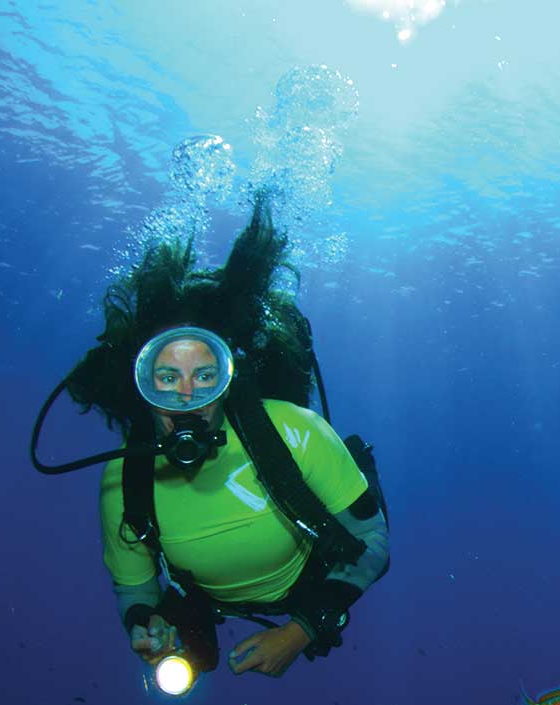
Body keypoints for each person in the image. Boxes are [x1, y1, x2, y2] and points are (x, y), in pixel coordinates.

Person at [54, 195, 390, 680]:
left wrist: (301, 631)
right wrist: (144, 622)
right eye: (167, 379)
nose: (187, 396)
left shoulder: (293, 431)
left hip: (313, 577)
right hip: (204, 600)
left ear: (228, 379)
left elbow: (372, 538)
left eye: (205, 376)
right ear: (142, 385)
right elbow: (135, 586)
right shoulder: (122, 479)